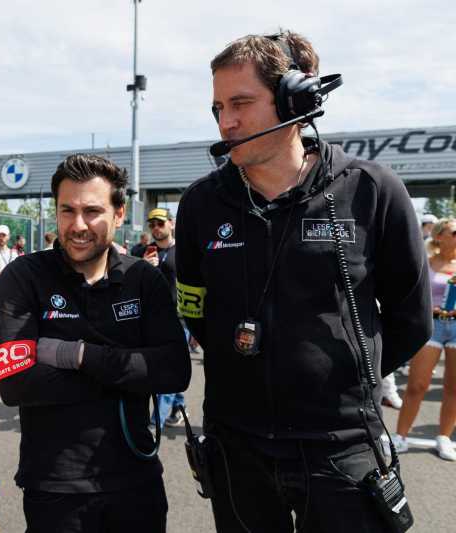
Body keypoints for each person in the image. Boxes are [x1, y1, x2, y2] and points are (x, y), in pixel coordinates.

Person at [176, 31, 431, 532]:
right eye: (217, 108)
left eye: (242, 103)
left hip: (343, 445)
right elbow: (194, 309)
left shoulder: (373, 191)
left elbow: (411, 319)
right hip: (237, 447)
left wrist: (340, 379)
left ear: (297, 101)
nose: (226, 122)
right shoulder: (201, 205)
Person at [0, 153, 190, 533]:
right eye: (67, 211)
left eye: (92, 211)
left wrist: (75, 353)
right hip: (55, 488)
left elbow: (173, 371)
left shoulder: (143, 280)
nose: (78, 225)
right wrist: (129, 369)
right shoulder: (24, 276)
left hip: (136, 482)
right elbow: (15, 384)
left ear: (119, 215)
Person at [393, 218, 456, 461]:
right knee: (417, 385)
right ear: (439, 236)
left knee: (453, 387)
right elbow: (412, 294)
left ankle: (444, 437)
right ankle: (400, 436)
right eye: (454, 232)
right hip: (431, 326)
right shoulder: (425, 263)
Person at [143, 207, 186, 428]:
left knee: (168, 370)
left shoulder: (184, 251)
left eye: (160, 223)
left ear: (171, 223)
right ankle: (178, 407)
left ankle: (154, 425)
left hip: (180, 320)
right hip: (153, 320)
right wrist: (146, 268)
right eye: (152, 225)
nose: (156, 229)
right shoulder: (145, 251)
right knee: (172, 368)